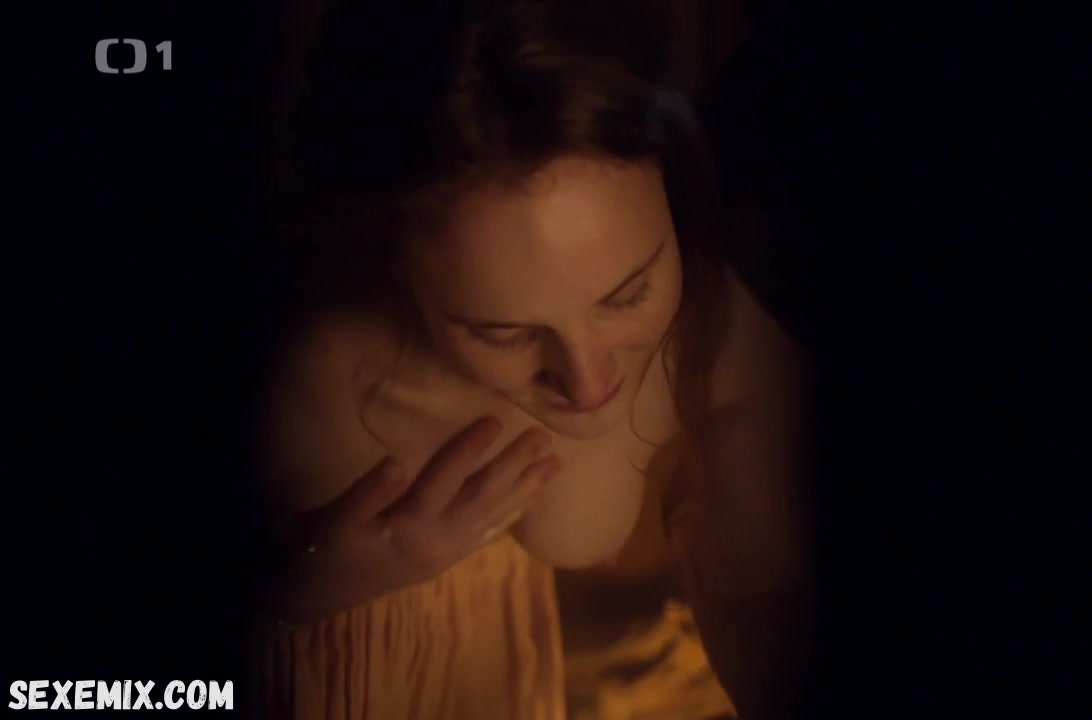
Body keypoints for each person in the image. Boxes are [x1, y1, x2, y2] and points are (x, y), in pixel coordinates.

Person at [249, 1, 813, 718]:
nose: (588, 382)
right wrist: (297, 589)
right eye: (503, 333)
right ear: (395, 269)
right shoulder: (304, 392)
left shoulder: (721, 315)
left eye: (628, 293)